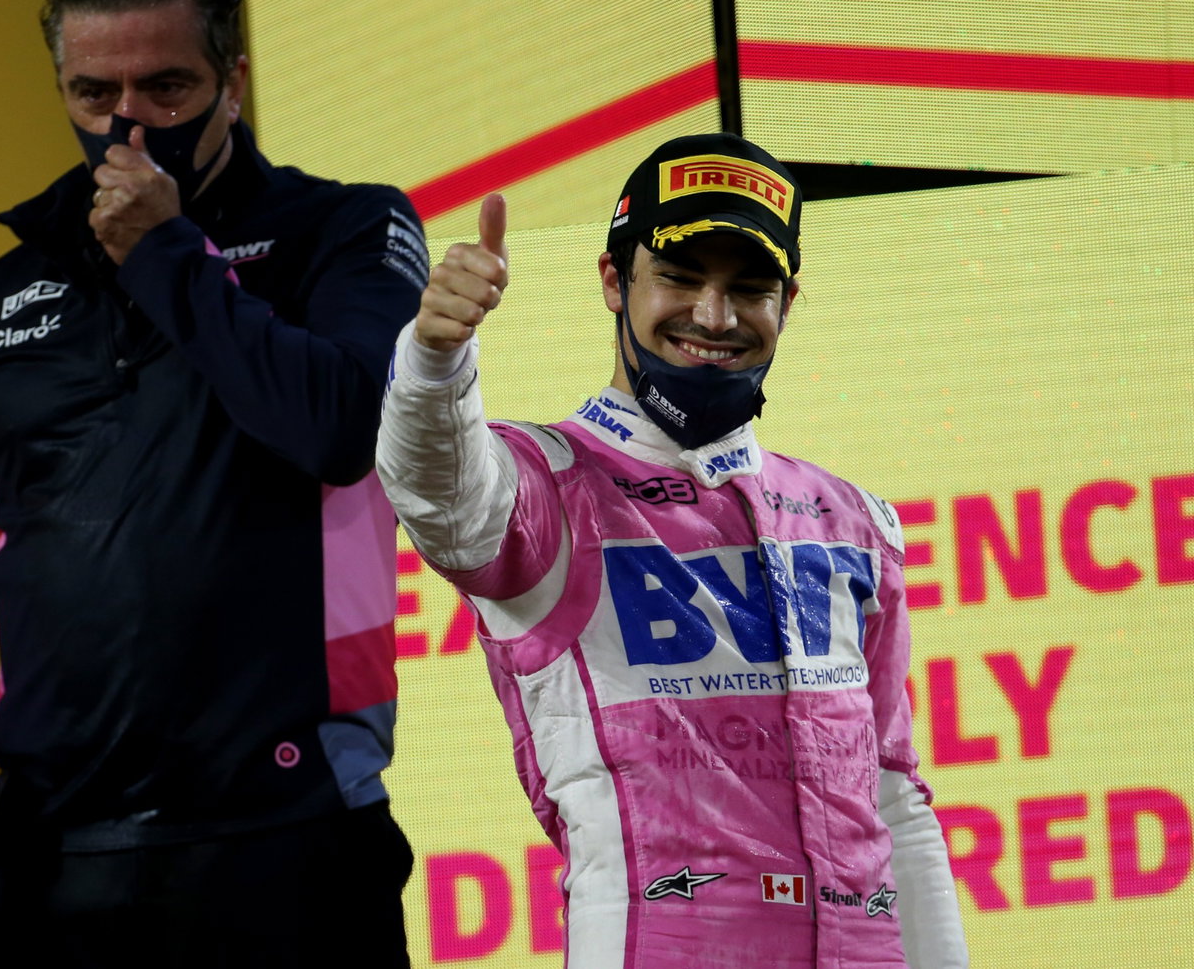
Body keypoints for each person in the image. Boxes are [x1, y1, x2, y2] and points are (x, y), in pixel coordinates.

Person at [0, 0, 423, 967]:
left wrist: (169, 252)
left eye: (168, 87)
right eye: (93, 93)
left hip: (289, 828)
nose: (127, 122)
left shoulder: (345, 231)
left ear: (235, 81)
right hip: (47, 845)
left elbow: (341, 428)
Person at [376, 133, 969, 967]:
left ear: (787, 301)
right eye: (681, 279)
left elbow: (894, 797)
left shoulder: (851, 519)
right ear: (615, 282)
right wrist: (434, 360)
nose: (715, 316)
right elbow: (437, 491)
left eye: (750, 288)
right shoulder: (545, 486)